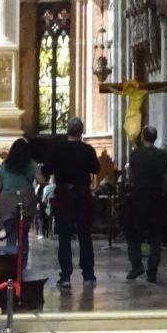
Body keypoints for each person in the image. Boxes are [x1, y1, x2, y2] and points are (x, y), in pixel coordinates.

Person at [40, 115, 100, 287]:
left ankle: (65, 276)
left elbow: (46, 170)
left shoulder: (57, 149)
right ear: (81, 132)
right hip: (82, 195)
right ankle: (88, 274)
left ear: (67, 131)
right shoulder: (87, 150)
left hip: (64, 195)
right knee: (85, 235)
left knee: (64, 237)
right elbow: (96, 168)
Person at [124, 125, 167, 283]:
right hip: (156, 198)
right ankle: (152, 271)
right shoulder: (162, 155)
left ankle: (136, 265)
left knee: (133, 235)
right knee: (155, 237)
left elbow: (130, 175)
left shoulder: (135, 154)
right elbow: (166, 177)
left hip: (138, 198)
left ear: (143, 137)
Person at [0, 137, 38, 273]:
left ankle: (11, 266)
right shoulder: (31, 164)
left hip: (8, 201)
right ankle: (23, 266)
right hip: (26, 199)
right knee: (24, 235)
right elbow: (41, 179)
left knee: (11, 236)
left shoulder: (4, 165)